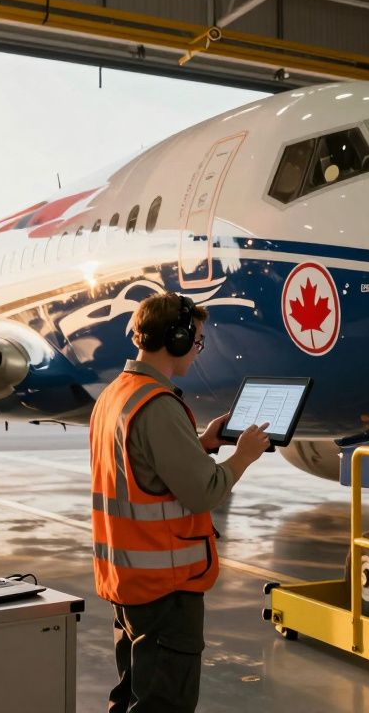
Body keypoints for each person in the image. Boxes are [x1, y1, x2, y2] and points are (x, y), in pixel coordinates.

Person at [91, 293, 272, 712]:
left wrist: (202, 443)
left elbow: (142, 468)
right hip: (165, 587)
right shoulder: (157, 404)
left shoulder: (116, 395)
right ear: (176, 338)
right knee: (164, 703)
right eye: (197, 339)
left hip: (127, 579)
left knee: (132, 695)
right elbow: (205, 491)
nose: (197, 349)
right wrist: (242, 455)